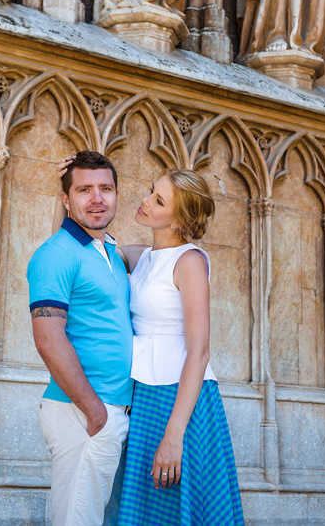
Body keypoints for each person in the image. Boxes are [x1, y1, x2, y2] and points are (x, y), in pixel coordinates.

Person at [115, 169, 244, 525]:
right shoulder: (140, 257)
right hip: (143, 395)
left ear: (180, 220)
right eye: (150, 191)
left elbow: (199, 351)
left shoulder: (190, 261)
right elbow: (83, 248)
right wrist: (63, 198)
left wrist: (174, 435)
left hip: (181, 401)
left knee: (180, 506)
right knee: (145, 509)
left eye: (158, 201)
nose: (145, 201)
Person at [28, 150, 133, 526]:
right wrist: (95, 413)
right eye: (84, 189)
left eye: (106, 188)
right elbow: (48, 340)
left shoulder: (111, 254)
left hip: (115, 410)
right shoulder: (56, 254)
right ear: (65, 198)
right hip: (84, 412)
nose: (97, 198)